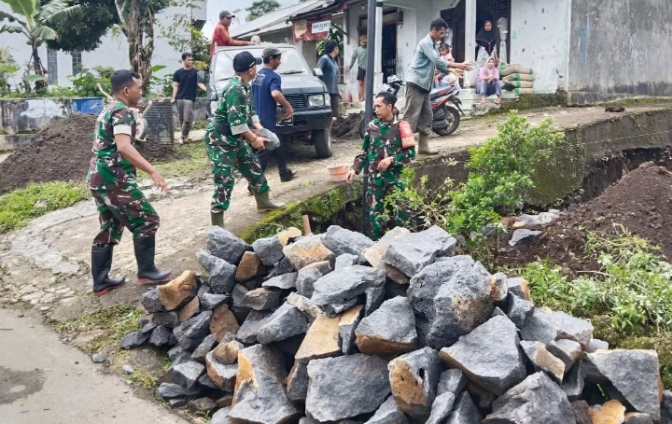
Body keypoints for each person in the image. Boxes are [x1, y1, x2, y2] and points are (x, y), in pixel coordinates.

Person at [87, 70, 172, 296]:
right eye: (139, 88)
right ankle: (147, 271)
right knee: (147, 219)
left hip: (98, 178)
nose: (141, 92)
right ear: (126, 90)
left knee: (110, 226)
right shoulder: (121, 111)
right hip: (114, 179)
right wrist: (153, 171)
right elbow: (124, 147)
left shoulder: (109, 108)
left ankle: (101, 281)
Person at [205, 51, 285, 228]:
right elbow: (237, 124)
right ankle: (217, 225)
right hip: (220, 139)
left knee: (253, 167)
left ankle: (264, 203)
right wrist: (254, 139)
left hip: (235, 137)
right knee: (224, 179)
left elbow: (251, 113)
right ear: (250, 69)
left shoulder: (246, 85)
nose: (256, 68)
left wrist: (261, 131)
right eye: (254, 66)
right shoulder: (235, 89)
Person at [345, 91, 415, 241]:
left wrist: (392, 159)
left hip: (395, 180)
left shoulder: (402, 127)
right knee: (375, 220)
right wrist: (354, 168)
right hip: (375, 181)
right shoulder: (372, 127)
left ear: (389, 106)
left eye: (379, 106)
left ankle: (406, 248)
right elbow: (364, 152)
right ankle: (375, 252)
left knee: (402, 216)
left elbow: (411, 154)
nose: (375, 109)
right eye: (374, 106)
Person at [405, 18, 473, 155]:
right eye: (441, 33)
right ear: (434, 30)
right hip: (416, 84)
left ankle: (423, 147)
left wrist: (451, 70)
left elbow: (436, 65)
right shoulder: (425, 43)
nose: (442, 36)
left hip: (424, 85)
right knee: (411, 117)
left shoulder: (433, 45)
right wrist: (459, 65)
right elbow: (437, 60)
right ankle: (404, 151)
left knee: (427, 117)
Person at [251, 47, 296, 183]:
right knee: (264, 151)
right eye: (278, 60)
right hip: (266, 120)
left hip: (256, 118)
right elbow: (275, 93)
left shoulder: (257, 76)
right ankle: (254, 183)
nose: (279, 63)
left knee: (278, 143)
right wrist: (288, 106)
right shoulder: (273, 77)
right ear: (271, 59)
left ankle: (284, 173)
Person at [171, 52, 207, 144]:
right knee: (181, 119)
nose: (191, 61)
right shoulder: (178, 73)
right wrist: (173, 98)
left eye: (192, 60)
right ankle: (185, 137)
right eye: (189, 60)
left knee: (188, 119)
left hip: (189, 99)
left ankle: (182, 137)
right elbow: (176, 86)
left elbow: (200, 83)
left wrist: (207, 90)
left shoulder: (196, 72)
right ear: (184, 60)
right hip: (179, 98)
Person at [317, 39, 340, 134]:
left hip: (334, 92)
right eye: (337, 48)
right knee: (324, 114)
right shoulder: (324, 59)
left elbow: (335, 77)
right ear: (335, 48)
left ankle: (328, 136)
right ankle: (320, 136)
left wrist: (339, 90)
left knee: (332, 115)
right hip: (326, 92)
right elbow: (317, 72)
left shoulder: (334, 62)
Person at [348, 35, 367, 102]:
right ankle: (361, 97)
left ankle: (366, 97)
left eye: (365, 42)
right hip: (361, 67)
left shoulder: (368, 48)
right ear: (360, 42)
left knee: (368, 83)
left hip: (368, 68)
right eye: (362, 42)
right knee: (360, 83)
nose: (363, 43)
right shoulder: (357, 50)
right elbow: (353, 58)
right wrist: (350, 66)